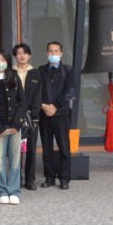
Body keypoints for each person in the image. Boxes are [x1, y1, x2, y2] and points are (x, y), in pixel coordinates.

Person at [0, 50, 27, 205]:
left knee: (15, 160)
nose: (0, 62)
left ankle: (14, 191)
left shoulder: (14, 76)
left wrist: (16, 124)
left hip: (15, 125)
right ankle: (2, 191)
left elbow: (22, 101)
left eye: (3, 60)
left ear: (8, 61)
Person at [39, 42, 75, 190]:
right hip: (44, 114)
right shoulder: (40, 71)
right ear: (47, 53)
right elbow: (36, 91)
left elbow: (70, 91)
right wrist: (43, 105)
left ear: (61, 54)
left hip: (62, 114)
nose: (53, 54)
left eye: (56, 51)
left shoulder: (68, 70)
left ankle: (64, 178)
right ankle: (49, 177)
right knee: (46, 148)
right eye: (51, 51)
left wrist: (55, 106)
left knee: (64, 148)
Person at [12, 43, 42, 191]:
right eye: (19, 53)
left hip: (31, 117)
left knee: (30, 149)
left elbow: (38, 95)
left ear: (29, 55)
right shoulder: (10, 72)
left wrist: (33, 114)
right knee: (15, 149)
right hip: (14, 116)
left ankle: (30, 180)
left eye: (25, 53)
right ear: (15, 56)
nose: (22, 56)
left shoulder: (36, 73)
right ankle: (16, 179)